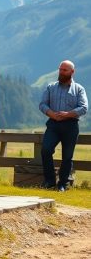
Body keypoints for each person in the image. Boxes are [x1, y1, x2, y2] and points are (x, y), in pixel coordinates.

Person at [39, 60, 87, 192]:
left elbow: (84, 107)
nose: (61, 72)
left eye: (64, 70)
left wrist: (67, 114)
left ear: (72, 72)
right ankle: (49, 181)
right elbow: (42, 104)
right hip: (53, 124)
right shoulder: (51, 87)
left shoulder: (79, 89)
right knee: (46, 150)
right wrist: (52, 114)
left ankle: (62, 184)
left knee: (67, 156)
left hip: (71, 125)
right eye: (60, 69)